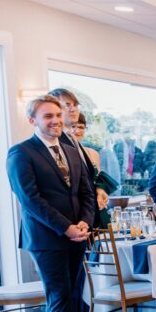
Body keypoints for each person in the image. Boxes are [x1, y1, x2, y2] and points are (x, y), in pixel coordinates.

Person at [6, 95, 95, 312]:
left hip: (76, 234)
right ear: (33, 121)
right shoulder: (21, 153)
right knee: (60, 295)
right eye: (48, 116)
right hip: (46, 238)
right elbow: (30, 200)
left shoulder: (70, 149)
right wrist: (65, 227)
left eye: (58, 115)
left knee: (69, 294)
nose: (56, 120)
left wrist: (84, 222)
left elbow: (86, 193)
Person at [49, 88, 106, 221]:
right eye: (67, 105)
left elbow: (84, 178)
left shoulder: (72, 139)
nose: (73, 109)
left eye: (75, 105)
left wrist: (98, 189)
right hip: (68, 220)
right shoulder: (55, 141)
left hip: (85, 218)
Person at [67, 111, 118, 229]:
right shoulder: (63, 153)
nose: (77, 131)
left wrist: (100, 189)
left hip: (96, 206)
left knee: (105, 243)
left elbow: (97, 178)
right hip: (78, 209)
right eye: (73, 126)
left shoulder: (93, 153)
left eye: (81, 127)